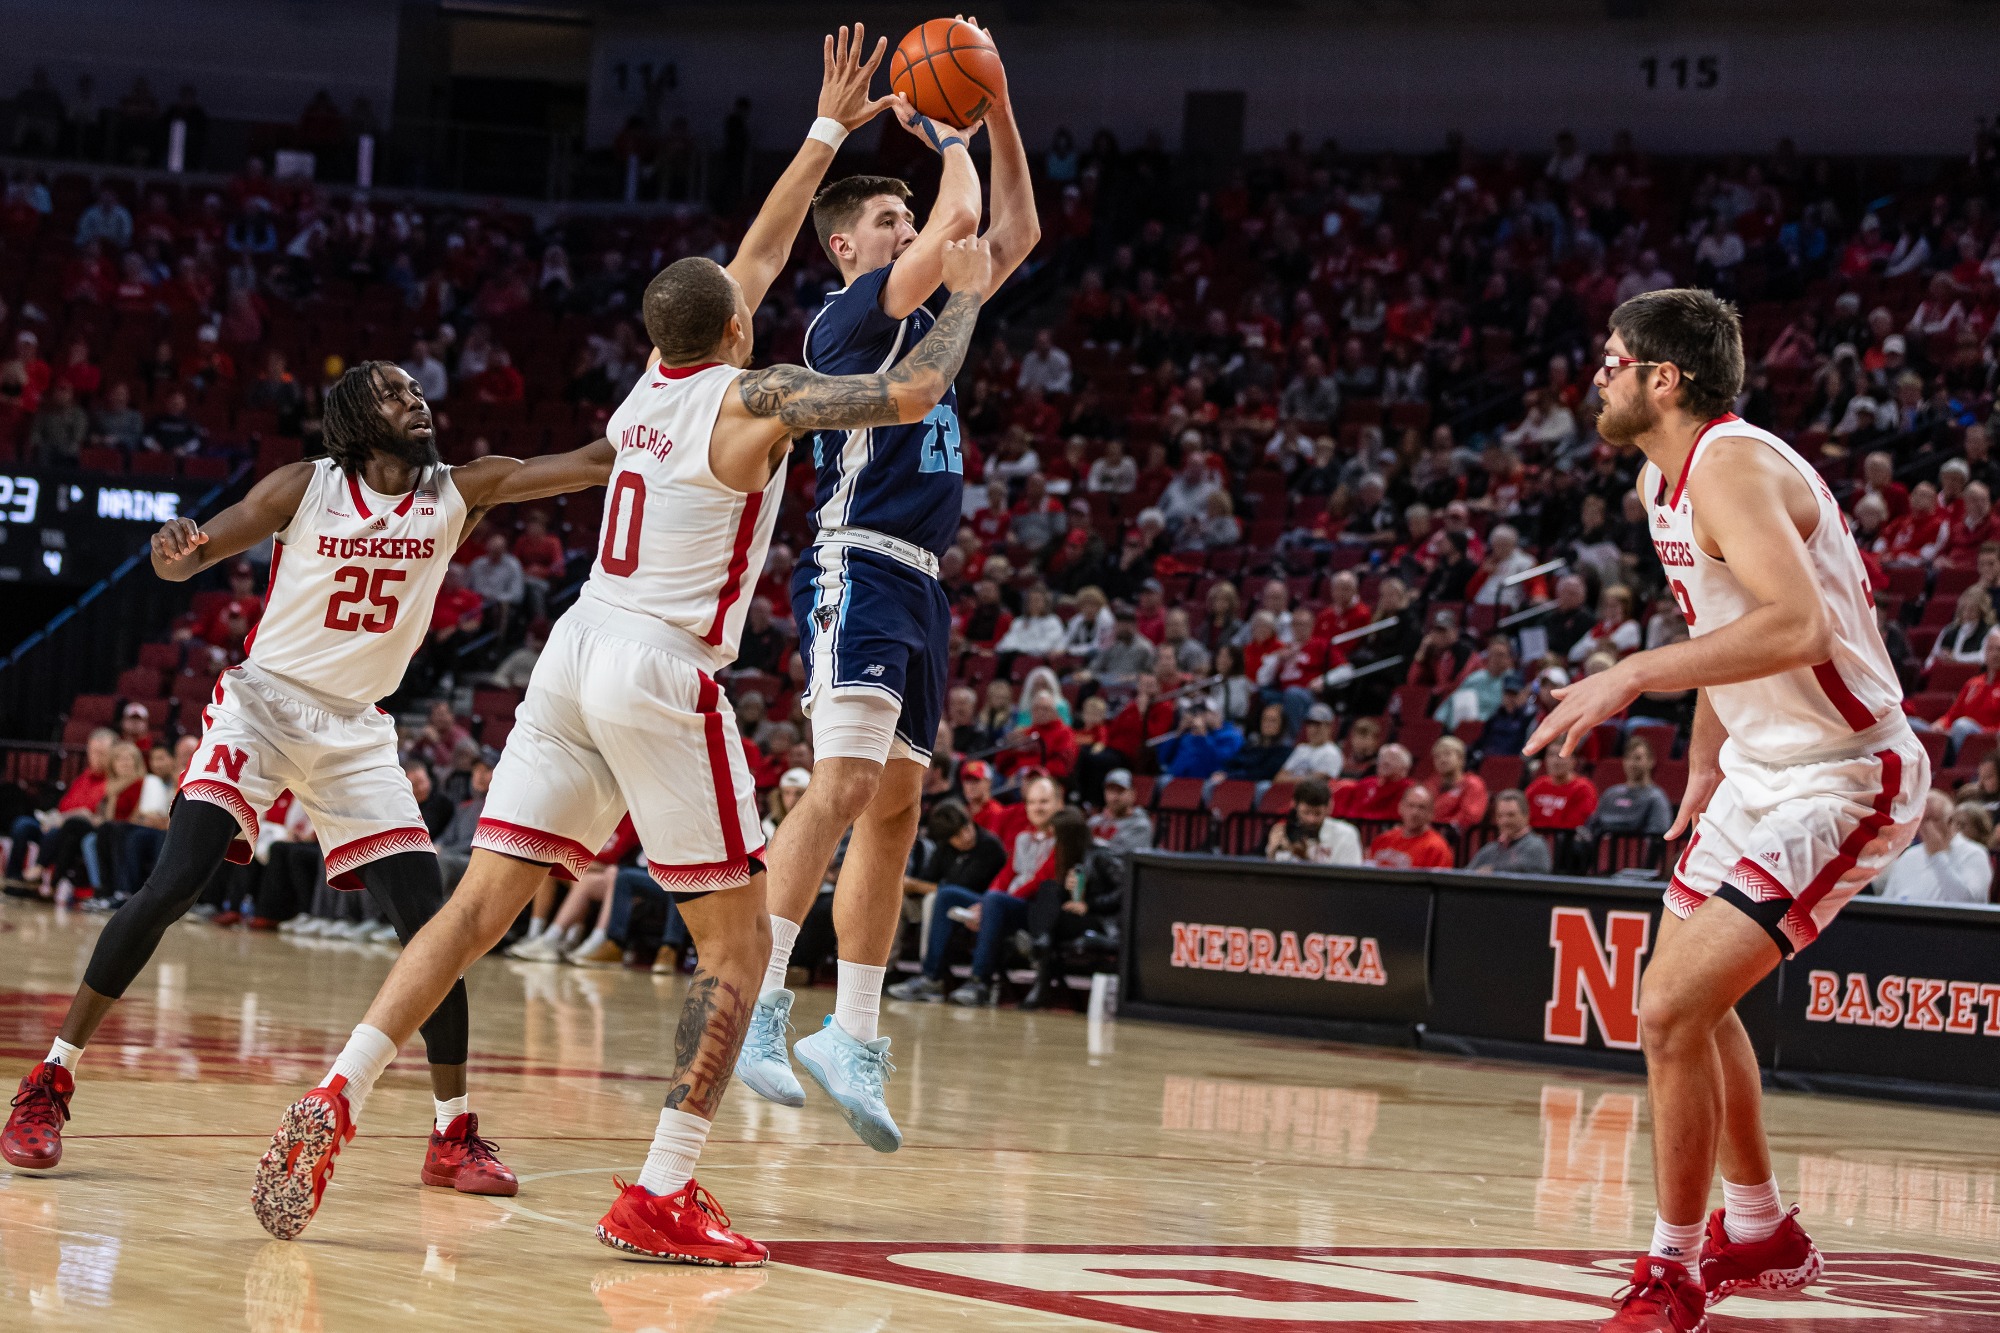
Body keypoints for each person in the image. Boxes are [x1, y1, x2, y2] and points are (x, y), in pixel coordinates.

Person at [248, 32, 988, 1264]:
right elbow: (906, 397)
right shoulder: (748, 399)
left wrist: (821, 134)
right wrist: (957, 287)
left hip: (569, 651)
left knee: (479, 904)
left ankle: (340, 1088)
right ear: (737, 330)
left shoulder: (644, 389)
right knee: (740, 946)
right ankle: (662, 1187)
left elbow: (745, 260)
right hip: (655, 669)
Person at [0, 350, 627, 1189]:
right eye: (396, 392)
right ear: (357, 418)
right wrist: (172, 548)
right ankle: (49, 1078)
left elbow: (592, 463)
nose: (416, 398)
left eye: (416, 388)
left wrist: (674, 406)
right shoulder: (307, 486)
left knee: (430, 923)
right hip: (263, 704)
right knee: (174, 881)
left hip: (356, 731)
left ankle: (453, 1133)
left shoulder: (460, 489)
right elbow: (189, 553)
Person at [1525, 289, 1924, 1329]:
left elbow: (1792, 624)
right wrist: (1706, 756)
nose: (1597, 374)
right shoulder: (1666, 481)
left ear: (1665, 378)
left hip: (1843, 771)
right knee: (1690, 1010)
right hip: (1757, 767)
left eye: (1612, 360)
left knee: (1664, 1008)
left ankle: (1672, 1271)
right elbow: (1728, 622)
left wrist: (1632, 674)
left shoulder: (1732, 464)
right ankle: (1758, 1232)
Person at [744, 24, 1039, 1155]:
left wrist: (996, 106)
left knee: (899, 808)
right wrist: (948, 136)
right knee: (845, 778)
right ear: (845, 249)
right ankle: (765, 998)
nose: (911, 228)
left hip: (924, 583)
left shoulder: (932, 299)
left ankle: (850, 1032)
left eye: (909, 217)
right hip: (855, 559)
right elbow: (966, 225)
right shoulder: (841, 319)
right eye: (888, 221)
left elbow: (1014, 229)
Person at [893, 774, 1062, 1005]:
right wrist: (985, 901)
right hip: (1003, 902)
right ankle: (932, 978)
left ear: (1058, 803)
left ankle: (979, 982)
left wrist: (989, 902)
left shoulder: (1064, 837)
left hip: (1035, 910)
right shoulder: (1024, 837)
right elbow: (1006, 875)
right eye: (1032, 802)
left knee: (994, 900)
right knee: (946, 895)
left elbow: (1041, 880)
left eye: (1044, 802)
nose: (1037, 808)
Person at [1873, 790, 1990, 904]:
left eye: (1933, 819)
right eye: (1922, 820)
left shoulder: (1974, 854)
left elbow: (1967, 902)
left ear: (1950, 821)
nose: (1927, 827)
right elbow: (1888, 903)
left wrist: (1938, 856)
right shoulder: (1909, 856)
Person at [1265, 776, 1361, 865]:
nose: (1311, 820)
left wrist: (1304, 857)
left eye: (1317, 813)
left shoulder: (1346, 834)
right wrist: (1272, 854)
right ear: (1295, 805)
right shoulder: (1284, 832)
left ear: (1329, 807)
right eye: (1306, 812)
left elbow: (1349, 877)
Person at [1364, 785, 1455, 868]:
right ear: (1400, 807)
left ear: (1431, 813)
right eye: (1410, 805)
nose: (1414, 812)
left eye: (1421, 807)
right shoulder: (1383, 840)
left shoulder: (1437, 848)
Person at [1466, 790, 1552, 874]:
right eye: (1500, 816)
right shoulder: (1490, 850)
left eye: (1511, 815)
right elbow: (1465, 875)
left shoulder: (1536, 846)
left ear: (1526, 816)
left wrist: (1493, 871)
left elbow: (1531, 871)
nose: (1504, 821)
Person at [1276, 703, 1344, 782]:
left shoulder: (1332, 752)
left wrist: (1289, 779)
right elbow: (1278, 778)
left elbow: (1318, 781)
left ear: (1329, 727)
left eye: (1317, 725)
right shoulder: (1301, 748)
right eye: (1310, 724)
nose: (1312, 729)